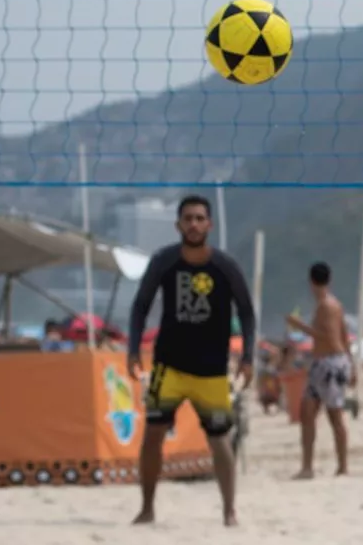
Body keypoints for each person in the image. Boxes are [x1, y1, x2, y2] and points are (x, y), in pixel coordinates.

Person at [126, 195, 255, 527]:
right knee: (152, 435)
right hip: (168, 366)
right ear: (178, 225)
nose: (194, 224)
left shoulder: (225, 265)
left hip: (211, 370)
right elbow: (140, 305)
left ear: (209, 224)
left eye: (200, 218)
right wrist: (132, 350)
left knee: (220, 439)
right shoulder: (164, 261)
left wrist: (249, 357)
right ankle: (147, 508)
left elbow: (246, 311)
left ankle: (229, 511)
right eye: (188, 218)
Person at [285, 262, 355, 478]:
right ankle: (307, 467)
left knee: (335, 417)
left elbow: (330, 337)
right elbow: (344, 335)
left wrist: (299, 326)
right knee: (307, 415)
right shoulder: (333, 305)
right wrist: (351, 363)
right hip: (325, 363)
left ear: (311, 282)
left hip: (330, 364)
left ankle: (342, 466)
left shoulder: (326, 306)